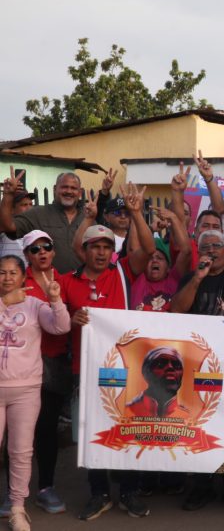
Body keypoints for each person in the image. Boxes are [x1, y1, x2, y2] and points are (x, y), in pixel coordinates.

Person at [170, 161, 224, 513]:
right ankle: (203, 485)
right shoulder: (194, 274)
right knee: (199, 422)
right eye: (206, 247)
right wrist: (197, 278)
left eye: (217, 247)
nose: (212, 251)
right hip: (198, 363)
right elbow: (178, 310)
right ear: (200, 249)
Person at [63, 183, 155, 521]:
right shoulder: (68, 281)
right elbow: (57, 321)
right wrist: (69, 317)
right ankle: (98, 492)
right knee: (91, 432)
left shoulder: (122, 271)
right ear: (83, 251)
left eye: (106, 247)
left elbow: (146, 248)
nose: (101, 253)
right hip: (85, 371)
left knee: (126, 429)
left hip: (125, 370)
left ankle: (129, 491)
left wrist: (135, 214)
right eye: (94, 247)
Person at [0, 255, 70, 531]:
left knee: (21, 451)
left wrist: (55, 299)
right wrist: (5, 302)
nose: (6, 278)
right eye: (2, 273)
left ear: (22, 276)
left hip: (26, 389)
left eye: (12, 273)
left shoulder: (34, 304)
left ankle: (17, 508)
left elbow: (61, 326)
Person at [20, 231, 71, 515]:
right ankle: (15, 494)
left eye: (46, 247)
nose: (41, 252)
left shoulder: (65, 281)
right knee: (18, 431)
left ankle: (45, 488)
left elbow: (78, 312)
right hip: (21, 365)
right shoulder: (15, 281)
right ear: (26, 254)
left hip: (54, 363)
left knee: (47, 430)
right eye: (34, 248)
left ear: (53, 251)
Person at [0, 168, 116, 273]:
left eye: (73, 188)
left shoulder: (88, 217)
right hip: (47, 287)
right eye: (64, 187)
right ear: (55, 189)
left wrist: (104, 193)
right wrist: (8, 194)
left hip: (81, 286)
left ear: (80, 193)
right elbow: (8, 226)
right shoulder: (37, 214)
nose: (69, 191)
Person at [131, 208, 190, 312]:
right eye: (150, 258)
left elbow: (186, 251)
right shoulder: (138, 279)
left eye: (159, 258)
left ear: (168, 267)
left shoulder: (174, 278)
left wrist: (174, 219)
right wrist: (136, 212)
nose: (154, 261)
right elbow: (133, 249)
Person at [126, 348, 189, 418]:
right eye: (161, 364)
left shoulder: (188, 418)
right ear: (146, 372)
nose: (170, 367)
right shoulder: (127, 413)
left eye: (177, 365)